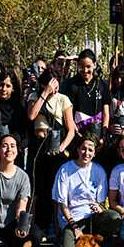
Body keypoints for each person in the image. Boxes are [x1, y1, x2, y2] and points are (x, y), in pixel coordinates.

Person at [52, 133, 122, 247]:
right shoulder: (65, 169)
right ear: (78, 149)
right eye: (83, 148)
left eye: (90, 150)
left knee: (113, 217)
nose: (86, 153)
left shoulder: (99, 170)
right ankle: (68, 239)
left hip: (91, 217)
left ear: (94, 153)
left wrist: (99, 208)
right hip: (72, 218)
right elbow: (61, 203)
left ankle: (99, 243)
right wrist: (74, 227)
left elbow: (100, 202)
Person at [27, 68, 77, 238]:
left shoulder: (63, 99)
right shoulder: (34, 97)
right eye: (51, 84)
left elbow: (70, 129)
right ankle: (36, 225)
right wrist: (45, 92)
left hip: (57, 149)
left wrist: (62, 147)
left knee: (55, 189)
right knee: (38, 188)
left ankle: (55, 226)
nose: (55, 88)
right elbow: (32, 115)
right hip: (39, 149)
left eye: (56, 84)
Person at [63, 49, 111, 139]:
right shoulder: (72, 85)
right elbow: (68, 113)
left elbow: (106, 113)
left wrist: (104, 135)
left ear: (95, 64)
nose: (85, 70)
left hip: (98, 134)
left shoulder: (102, 85)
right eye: (81, 66)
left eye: (88, 66)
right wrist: (76, 132)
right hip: (78, 134)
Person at [0, 72, 29, 161]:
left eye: (8, 86)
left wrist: (16, 146)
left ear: (13, 88)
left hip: (15, 154)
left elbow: (24, 133)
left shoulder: (19, 108)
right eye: (1, 85)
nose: (3, 89)